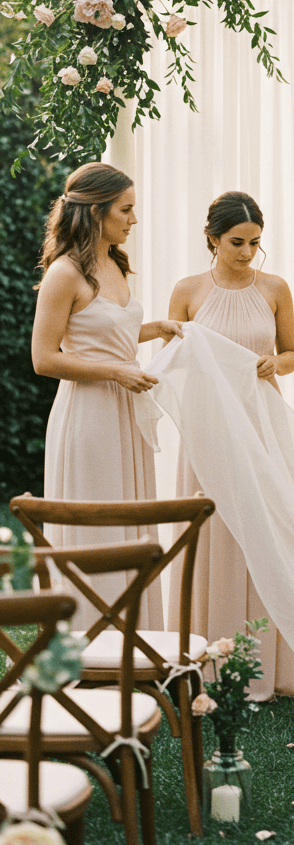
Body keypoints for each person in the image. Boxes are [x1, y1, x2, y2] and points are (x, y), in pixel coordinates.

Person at [32, 162, 182, 625]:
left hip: (125, 411)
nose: (133, 219)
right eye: (126, 209)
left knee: (130, 518)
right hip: (89, 414)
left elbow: (106, 333)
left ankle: (134, 634)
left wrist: (154, 328)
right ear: (96, 211)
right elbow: (44, 358)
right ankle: (89, 637)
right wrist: (116, 373)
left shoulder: (115, 265)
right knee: (98, 522)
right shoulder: (64, 273)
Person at [167, 191, 294, 699]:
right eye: (237, 242)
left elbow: (292, 353)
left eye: (255, 242)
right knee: (214, 533)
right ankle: (210, 658)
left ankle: (268, 664)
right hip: (208, 427)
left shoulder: (274, 288)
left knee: (266, 530)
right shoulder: (187, 291)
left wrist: (277, 363)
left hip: (263, 421)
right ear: (213, 239)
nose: (247, 252)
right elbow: (174, 363)